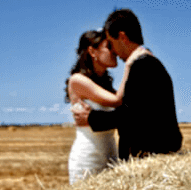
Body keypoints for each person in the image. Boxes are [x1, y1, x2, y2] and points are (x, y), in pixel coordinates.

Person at [73, 9, 182, 159]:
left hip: (151, 156)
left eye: (111, 43)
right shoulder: (147, 63)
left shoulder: (143, 65)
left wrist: (92, 118)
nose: (114, 52)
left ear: (122, 37)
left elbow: (131, 114)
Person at [66, 29, 132, 183]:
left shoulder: (106, 84)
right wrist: (130, 64)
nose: (115, 51)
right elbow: (117, 101)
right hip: (88, 159)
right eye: (109, 47)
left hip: (110, 155)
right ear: (92, 51)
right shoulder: (77, 80)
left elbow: (126, 108)